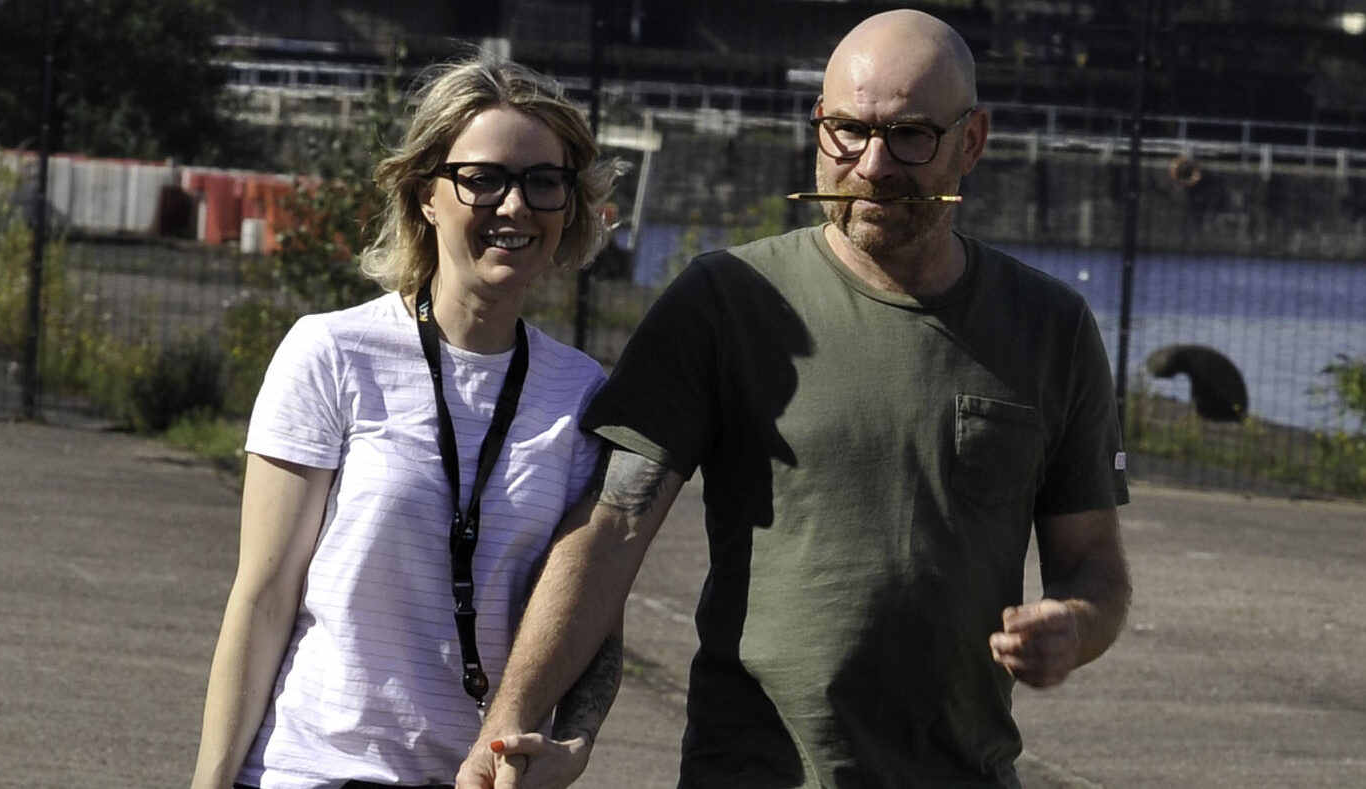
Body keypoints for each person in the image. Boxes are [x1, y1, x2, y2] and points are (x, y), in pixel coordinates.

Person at [460, 9, 1132, 789]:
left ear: (972, 140)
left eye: (910, 134)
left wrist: (1074, 627)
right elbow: (612, 526)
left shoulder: (1048, 325)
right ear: (817, 127)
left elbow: (1093, 567)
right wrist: (508, 723)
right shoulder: (726, 301)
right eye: (847, 130)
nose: (873, 165)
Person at [190, 54, 625, 789]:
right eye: (483, 178)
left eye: (542, 182)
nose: (514, 206)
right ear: (426, 195)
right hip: (311, 771)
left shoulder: (582, 394)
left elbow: (592, 614)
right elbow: (263, 597)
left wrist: (572, 745)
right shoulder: (331, 353)